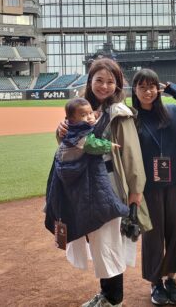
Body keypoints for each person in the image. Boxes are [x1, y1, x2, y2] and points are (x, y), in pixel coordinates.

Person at [56, 58, 152, 307]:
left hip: (111, 186)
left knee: (108, 243)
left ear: (118, 85)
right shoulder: (81, 111)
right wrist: (61, 131)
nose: (104, 86)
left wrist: (136, 191)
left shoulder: (120, 113)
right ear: (90, 81)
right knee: (98, 241)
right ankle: (106, 293)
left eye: (111, 81)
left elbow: (132, 154)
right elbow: (70, 146)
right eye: (99, 80)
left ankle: (114, 299)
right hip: (87, 187)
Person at [131, 68, 176, 305]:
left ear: (158, 88)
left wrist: (173, 89)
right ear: (135, 90)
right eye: (142, 87)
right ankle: (155, 283)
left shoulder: (174, 112)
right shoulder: (132, 118)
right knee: (153, 236)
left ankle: (171, 279)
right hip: (148, 189)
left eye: (152, 86)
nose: (148, 91)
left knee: (175, 234)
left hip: (175, 185)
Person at [44, 98, 128, 246]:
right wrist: (110, 145)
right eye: (83, 115)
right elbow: (91, 144)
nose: (89, 117)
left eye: (90, 113)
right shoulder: (78, 132)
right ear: (71, 119)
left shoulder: (75, 127)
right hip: (71, 167)